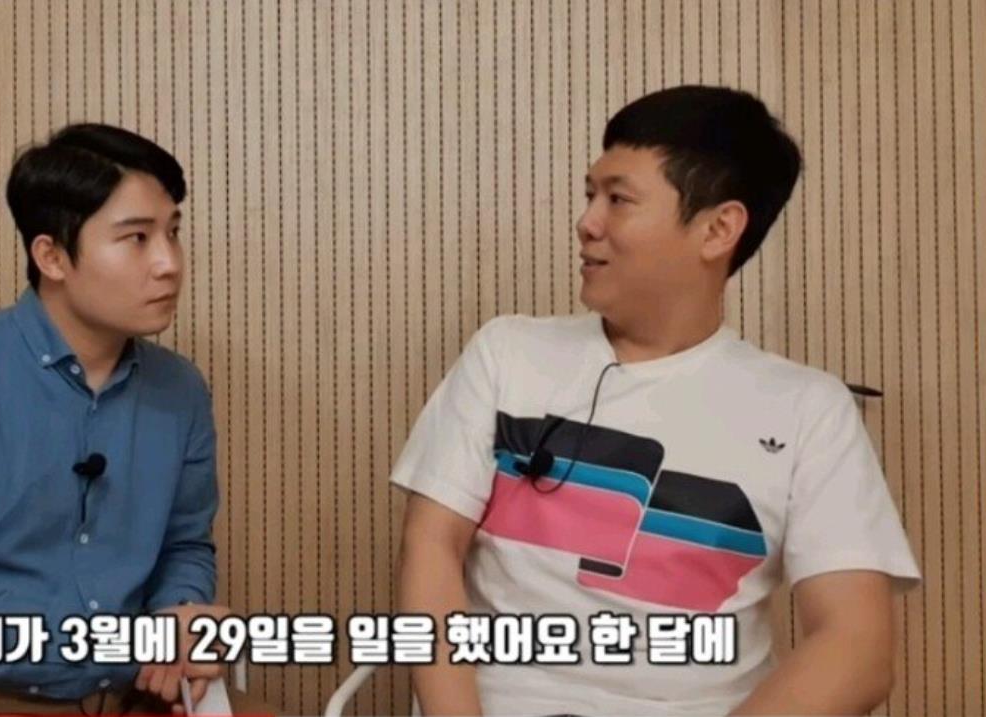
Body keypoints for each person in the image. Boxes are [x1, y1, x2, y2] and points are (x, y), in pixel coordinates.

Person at [392, 85, 920, 716]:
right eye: (590, 194)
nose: (587, 222)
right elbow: (431, 545)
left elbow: (855, 649)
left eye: (618, 199)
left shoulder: (810, 409)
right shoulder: (507, 353)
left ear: (717, 229)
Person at [0, 124, 249, 714]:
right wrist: (130, 646)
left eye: (173, 232)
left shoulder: (180, 390)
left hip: (122, 690)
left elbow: (185, 546)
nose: (169, 263)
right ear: (52, 256)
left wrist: (179, 617)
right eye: (137, 238)